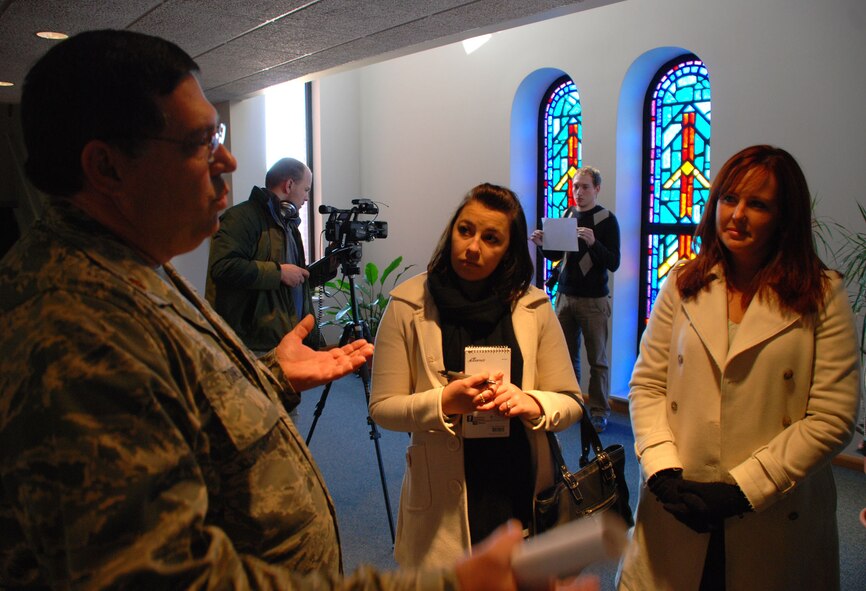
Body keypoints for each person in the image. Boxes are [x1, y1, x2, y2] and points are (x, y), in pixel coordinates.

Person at [0, 29, 583, 591]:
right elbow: (167, 578)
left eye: (220, 133)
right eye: (202, 142)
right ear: (107, 167)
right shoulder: (77, 327)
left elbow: (186, 415)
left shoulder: (129, 273)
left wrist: (271, 376)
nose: (228, 160)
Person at [617, 145, 859, 591]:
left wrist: (744, 489)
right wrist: (663, 469)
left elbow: (832, 417)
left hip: (773, 510)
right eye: (729, 199)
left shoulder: (822, 294)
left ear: (785, 217)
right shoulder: (684, 282)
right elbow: (648, 384)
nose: (737, 215)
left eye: (758, 204)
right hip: (679, 499)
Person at [370, 183, 584, 568]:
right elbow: (382, 408)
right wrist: (442, 403)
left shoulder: (534, 307)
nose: (472, 248)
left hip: (519, 486)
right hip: (442, 498)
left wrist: (532, 402)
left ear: (509, 250)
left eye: (491, 239)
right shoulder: (406, 305)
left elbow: (571, 400)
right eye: (465, 230)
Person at [530, 167, 620, 432]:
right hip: (566, 296)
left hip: (594, 300)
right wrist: (543, 244)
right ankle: (571, 403)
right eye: (575, 187)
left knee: (598, 360)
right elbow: (559, 256)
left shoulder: (606, 220)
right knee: (566, 357)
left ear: (597, 189)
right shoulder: (568, 215)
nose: (578, 192)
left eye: (584, 187)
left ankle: (600, 411)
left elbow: (613, 262)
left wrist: (594, 243)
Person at [207, 157, 320, 354]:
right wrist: (279, 273)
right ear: (289, 184)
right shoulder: (241, 218)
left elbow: (290, 280)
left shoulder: (288, 225)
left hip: (284, 341)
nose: (306, 198)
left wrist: (328, 267)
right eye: (306, 189)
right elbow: (223, 267)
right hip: (254, 347)